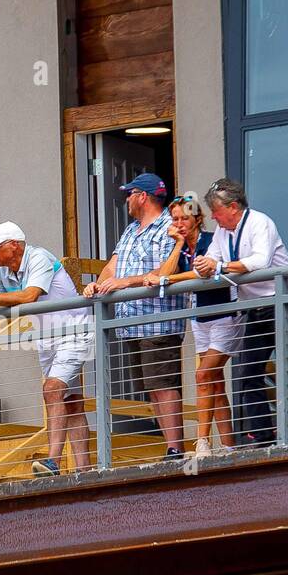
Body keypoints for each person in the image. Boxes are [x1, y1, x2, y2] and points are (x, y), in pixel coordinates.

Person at [0, 221, 92, 477]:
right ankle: (84, 471)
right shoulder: (2, 271)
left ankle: (53, 461)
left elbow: (29, 296)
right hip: (48, 338)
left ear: (15, 246)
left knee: (52, 389)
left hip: (75, 331)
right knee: (71, 402)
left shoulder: (39, 257)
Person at [84, 172, 186, 457]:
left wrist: (124, 283)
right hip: (132, 324)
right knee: (151, 388)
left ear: (142, 196)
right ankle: (171, 447)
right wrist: (98, 282)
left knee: (163, 385)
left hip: (158, 322)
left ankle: (175, 450)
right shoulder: (131, 230)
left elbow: (169, 270)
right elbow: (113, 267)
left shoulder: (169, 226)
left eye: (130, 194)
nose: (126, 199)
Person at [194, 177, 288, 447]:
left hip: (284, 299)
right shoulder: (222, 231)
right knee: (250, 372)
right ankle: (263, 434)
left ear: (232, 207)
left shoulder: (260, 222)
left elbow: (259, 261)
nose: (214, 219)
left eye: (216, 213)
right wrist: (204, 265)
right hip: (255, 306)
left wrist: (218, 266)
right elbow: (213, 258)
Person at [141, 194, 239, 458]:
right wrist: (178, 244)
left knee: (203, 376)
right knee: (215, 382)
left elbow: (197, 274)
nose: (180, 223)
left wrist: (169, 279)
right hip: (199, 319)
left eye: (185, 218)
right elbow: (165, 275)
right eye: (175, 219)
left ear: (198, 218)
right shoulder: (182, 247)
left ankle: (203, 442)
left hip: (224, 314)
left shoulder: (212, 240)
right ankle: (229, 446)